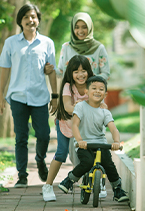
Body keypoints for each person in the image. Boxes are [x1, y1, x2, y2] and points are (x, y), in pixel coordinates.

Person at [44, 12, 110, 198]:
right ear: (73, 28)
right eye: (77, 27)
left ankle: (99, 182)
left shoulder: (99, 48)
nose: (80, 31)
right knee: (67, 151)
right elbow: (61, 71)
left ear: (90, 28)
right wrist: (55, 92)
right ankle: (50, 185)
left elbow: (105, 73)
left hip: (93, 102)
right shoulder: (66, 47)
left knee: (97, 147)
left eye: (84, 27)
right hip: (70, 111)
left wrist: (96, 91)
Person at [0, 4, 58, 188]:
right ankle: (22, 175)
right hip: (18, 97)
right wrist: (0, 95)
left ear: (38, 20)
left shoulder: (47, 43)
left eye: (33, 17)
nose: (30, 20)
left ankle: (40, 160)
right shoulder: (11, 43)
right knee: (21, 138)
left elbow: (52, 70)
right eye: (26, 17)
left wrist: (55, 95)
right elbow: (5, 70)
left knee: (44, 135)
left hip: (40, 97)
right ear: (20, 22)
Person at [59, 76, 129, 202]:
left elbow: (113, 129)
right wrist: (79, 140)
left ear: (105, 93)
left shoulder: (105, 112)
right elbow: (74, 125)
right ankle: (69, 180)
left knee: (109, 165)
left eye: (101, 89)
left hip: (100, 144)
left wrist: (116, 142)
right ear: (86, 92)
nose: (97, 91)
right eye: (94, 88)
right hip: (84, 144)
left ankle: (117, 189)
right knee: (87, 162)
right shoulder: (80, 107)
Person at [42, 55, 96, 201]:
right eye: (76, 71)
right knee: (61, 153)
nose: (80, 75)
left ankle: (98, 182)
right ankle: (47, 186)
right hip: (65, 124)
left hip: (83, 126)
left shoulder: (92, 86)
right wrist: (83, 107)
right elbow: (67, 107)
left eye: (83, 70)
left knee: (91, 152)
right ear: (70, 73)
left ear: (89, 71)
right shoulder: (68, 87)